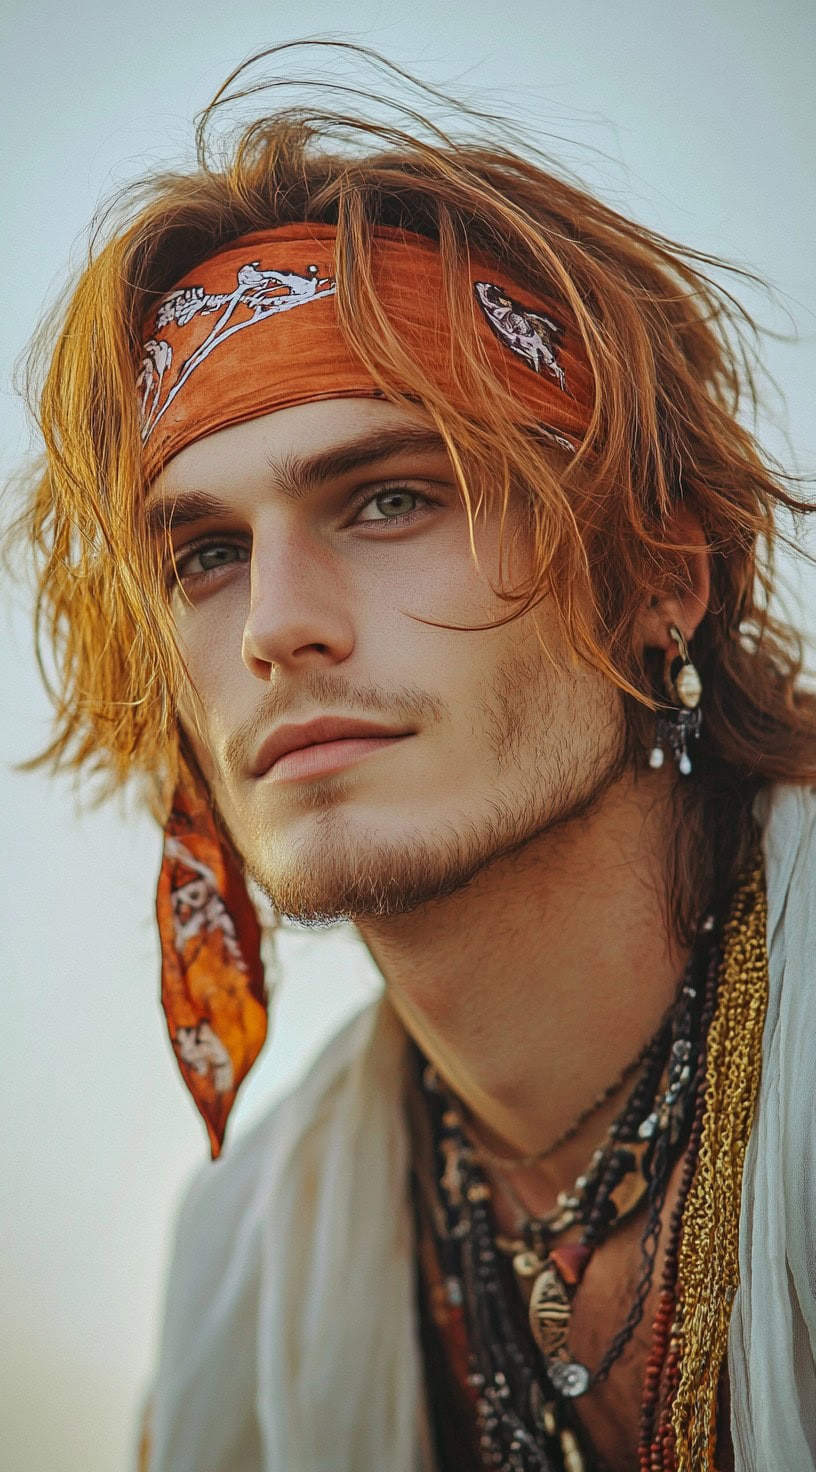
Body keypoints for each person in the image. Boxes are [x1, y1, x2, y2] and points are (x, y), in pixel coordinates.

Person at [13, 48, 816, 1472]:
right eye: (204, 554)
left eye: (388, 497)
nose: (275, 627)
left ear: (658, 579)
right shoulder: (242, 1271)